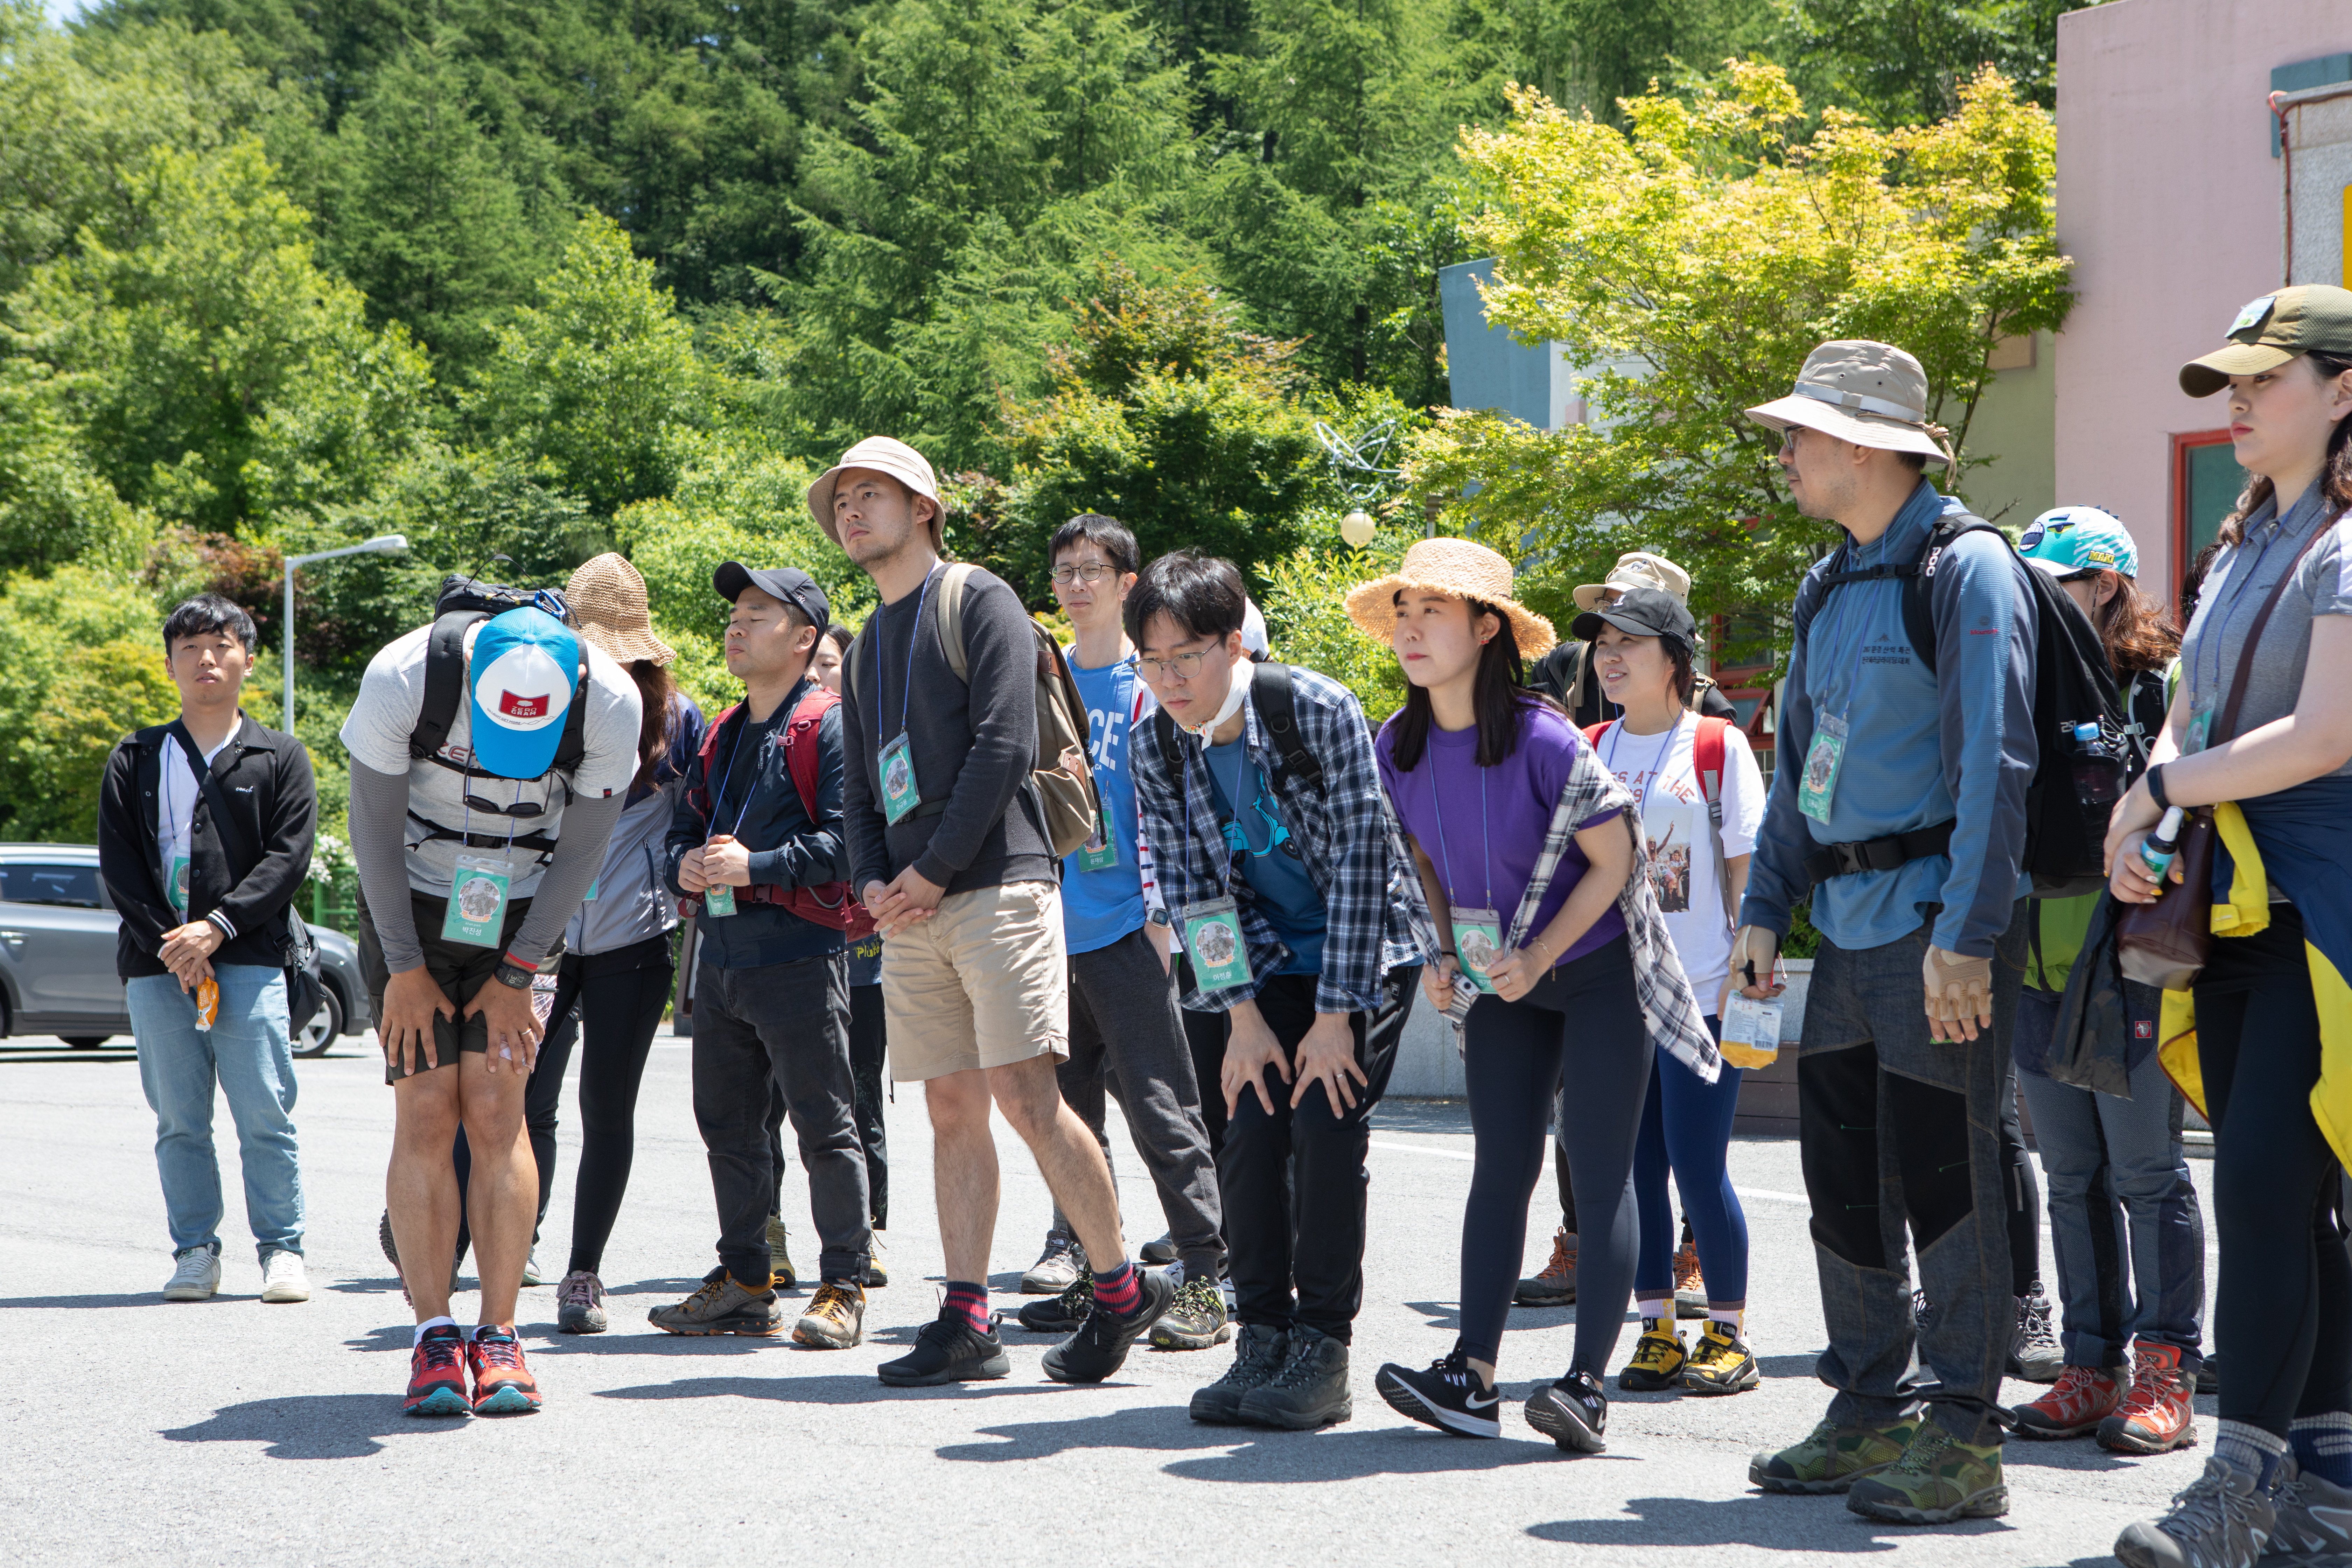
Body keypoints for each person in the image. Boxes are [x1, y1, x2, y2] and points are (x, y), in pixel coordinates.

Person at [1735, 340, 2038, 1524]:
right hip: (1847, 933)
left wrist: (1966, 933)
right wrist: (1767, 905)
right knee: (1846, 1180)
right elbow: (1797, 763)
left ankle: (1966, 1433)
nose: (1790, 453)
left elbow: (1998, 764)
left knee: (1950, 1181)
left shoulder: (1969, 574)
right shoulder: (1829, 581)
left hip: (1934, 934)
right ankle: (1869, 1409)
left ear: (1865, 445)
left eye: (1804, 434)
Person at [1340, 539, 1716, 1448]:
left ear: (1487, 628)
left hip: (1595, 971)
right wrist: (1438, 948)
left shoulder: (1545, 736)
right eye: (1403, 610)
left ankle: (1586, 1386)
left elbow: (1617, 860)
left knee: (1598, 1170)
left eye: (1433, 610)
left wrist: (1541, 950)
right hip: (1503, 973)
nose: (1411, 629)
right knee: (1500, 1164)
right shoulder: (1397, 744)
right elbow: (1421, 859)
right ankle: (1470, 1376)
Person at [823, 435, 1169, 1388]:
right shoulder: (864, 644)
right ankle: (966, 1318)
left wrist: (928, 872)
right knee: (948, 1107)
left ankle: (1116, 1288)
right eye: (842, 499)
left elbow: (1005, 743)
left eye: (872, 495)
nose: (851, 511)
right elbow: (859, 788)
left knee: (1027, 1095)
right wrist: (871, 886)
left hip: (1001, 884)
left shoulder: (977, 599)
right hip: (910, 907)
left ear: (923, 508)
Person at [2107, 286, 2352, 1568]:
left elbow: (2324, 736)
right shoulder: (2248, 535)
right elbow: (2193, 711)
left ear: (2346, 391)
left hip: (2330, 914)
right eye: (2234, 385)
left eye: (2269, 379)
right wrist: (2150, 806)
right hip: (2245, 911)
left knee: (2263, 1188)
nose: (2241, 402)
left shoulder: (2350, 543)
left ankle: (2237, 1488)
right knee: (2293, 1198)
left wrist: (2159, 792)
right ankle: (2327, 1491)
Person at [1127, 548, 1424, 1432]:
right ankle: (1261, 1333)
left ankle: (1323, 1348)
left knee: (1325, 1124)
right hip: (1259, 964)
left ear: (1232, 643)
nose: (1170, 680)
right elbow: (1190, 887)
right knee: (1249, 1125)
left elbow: (1368, 864)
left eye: (1186, 657)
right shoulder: (1156, 745)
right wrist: (1246, 1019)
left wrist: (1336, 1017)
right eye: (1153, 661)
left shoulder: (1313, 708)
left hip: (1362, 946)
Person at [344, 582, 642, 1416]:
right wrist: (405, 966)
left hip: (524, 909)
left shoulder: (610, 703)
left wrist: (519, 972)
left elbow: (584, 851)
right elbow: (370, 826)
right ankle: (434, 1335)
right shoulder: (405, 676)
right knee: (428, 1110)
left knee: (497, 1107)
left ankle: (500, 1333)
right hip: (408, 899)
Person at [2001, 510, 2207, 1451]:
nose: (2043, 600)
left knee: (2147, 1173)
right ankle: (2091, 1364)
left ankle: (2166, 1371)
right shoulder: (2017, 682)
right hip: (2033, 959)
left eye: (2060, 583)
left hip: (2131, 966)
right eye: (2032, 585)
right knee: (2071, 1169)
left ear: (2110, 584)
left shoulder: (2159, 690)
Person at [651, 563, 872, 1349]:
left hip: (801, 954)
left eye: (758, 613)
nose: (736, 625)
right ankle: (746, 1280)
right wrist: (683, 861)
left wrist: (758, 865)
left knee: (824, 1125)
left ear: (806, 637)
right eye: (735, 613)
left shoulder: (832, 723)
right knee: (729, 1126)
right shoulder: (721, 730)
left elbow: (849, 843)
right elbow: (688, 823)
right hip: (722, 956)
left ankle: (843, 1284)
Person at [1519, 547, 1724, 1315]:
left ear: (1673, 643)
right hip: (1592, 936)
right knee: (1587, 1110)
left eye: (1634, 620)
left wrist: (1747, 950)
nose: (1613, 642)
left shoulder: (1711, 726)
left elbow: (1733, 849)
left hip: (1691, 954)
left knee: (1690, 1134)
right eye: (1607, 616)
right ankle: (1586, 1243)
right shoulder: (1569, 675)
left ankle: (1695, 1250)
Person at [98, 593, 317, 1306]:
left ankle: (283, 1250)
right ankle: (196, 1251)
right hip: (157, 963)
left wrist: (217, 926)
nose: (206, 659)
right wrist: (177, 942)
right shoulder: (136, 756)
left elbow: (289, 858)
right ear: (170, 665)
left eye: (221, 645)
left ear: (247, 660)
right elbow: (120, 864)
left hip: (250, 956)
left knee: (265, 1112)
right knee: (180, 1119)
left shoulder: (280, 755)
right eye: (190, 648)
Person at [1582, 586, 1766, 1398]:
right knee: (1634, 1166)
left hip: (1702, 993)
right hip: (1614, 996)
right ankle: (1655, 1326)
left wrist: (1753, 959)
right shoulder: (1588, 744)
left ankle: (1726, 1329)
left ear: (1676, 660)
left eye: (1630, 643)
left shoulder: (1720, 746)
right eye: (1602, 643)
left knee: (1698, 1162)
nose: (1609, 656)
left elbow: (1745, 865)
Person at [540, 553, 706, 1332]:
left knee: (606, 1107)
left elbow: (698, 820)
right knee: (516, 1101)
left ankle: (584, 1273)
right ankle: (478, 1240)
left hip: (634, 939)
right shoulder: (533, 705)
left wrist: (682, 869)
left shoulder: (680, 721)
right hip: (535, 939)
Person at [819, 620, 890, 1285]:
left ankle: (871, 1229)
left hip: (868, 948)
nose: (819, 674)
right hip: (809, 947)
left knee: (862, 1088)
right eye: (810, 662)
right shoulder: (797, 735)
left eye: (830, 663)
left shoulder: (865, 732)